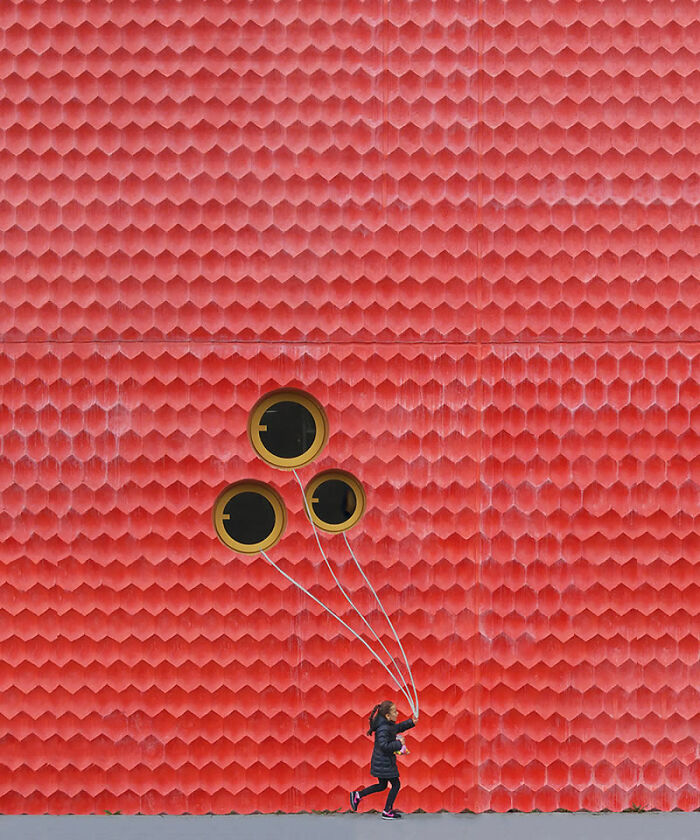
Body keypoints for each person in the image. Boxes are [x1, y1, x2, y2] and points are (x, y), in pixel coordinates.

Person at [349, 700, 418, 820]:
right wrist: (398, 743)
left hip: (382, 762)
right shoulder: (383, 728)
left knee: (382, 785)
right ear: (387, 715)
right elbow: (384, 746)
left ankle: (358, 795)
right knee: (396, 784)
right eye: (395, 711)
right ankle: (387, 811)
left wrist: (411, 722)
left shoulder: (387, 725)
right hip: (384, 763)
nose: (397, 713)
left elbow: (397, 728)